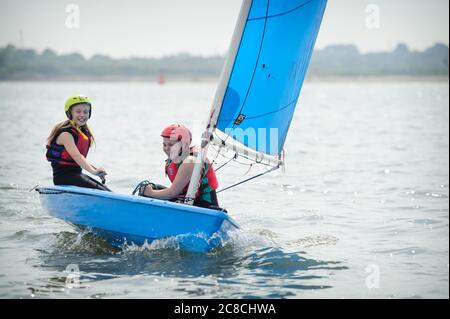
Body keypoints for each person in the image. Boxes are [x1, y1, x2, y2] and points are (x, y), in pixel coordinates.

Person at [136, 124, 220, 209]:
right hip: (187, 201)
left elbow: (172, 193)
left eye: (171, 145)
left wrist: (149, 192)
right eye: (164, 145)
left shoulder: (190, 161)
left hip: (205, 206)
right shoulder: (175, 159)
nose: (166, 148)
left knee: (148, 192)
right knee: (148, 188)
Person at [46, 94, 111, 191]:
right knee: (104, 192)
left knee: (106, 190)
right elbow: (77, 156)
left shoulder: (81, 132)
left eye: (86, 112)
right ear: (69, 113)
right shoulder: (66, 134)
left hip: (76, 175)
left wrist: (96, 171)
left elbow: (78, 159)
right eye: (78, 111)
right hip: (64, 178)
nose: (82, 115)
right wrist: (93, 171)